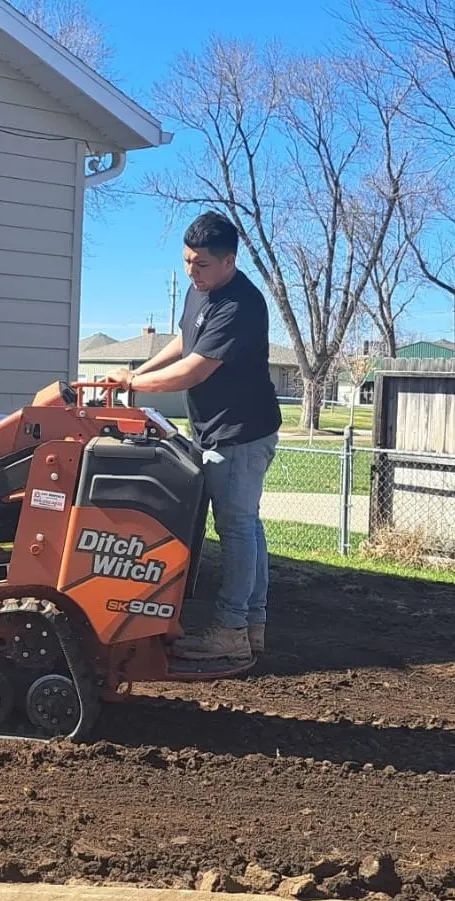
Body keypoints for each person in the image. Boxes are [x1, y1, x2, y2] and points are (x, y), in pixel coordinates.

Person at [108, 212, 281, 662]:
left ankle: (231, 629)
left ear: (229, 261)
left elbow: (195, 369)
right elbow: (184, 342)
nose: (191, 271)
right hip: (214, 430)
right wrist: (136, 371)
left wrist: (132, 387)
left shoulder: (241, 303)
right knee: (247, 525)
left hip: (241, 435)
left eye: (200, 264)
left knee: (238, 528)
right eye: (186, 261)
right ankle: (251, 624)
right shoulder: (200, 290)